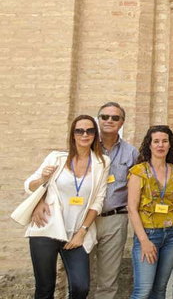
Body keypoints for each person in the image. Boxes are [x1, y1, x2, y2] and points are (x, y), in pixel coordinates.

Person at [24, 115, 111, 299]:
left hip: (76, 233)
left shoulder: (102, 162)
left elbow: (98, 200)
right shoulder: (56, 158)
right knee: (44, 288)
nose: (84, 134)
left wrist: (82, 232)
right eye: (79, 130)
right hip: (46, 227)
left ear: (95, 134)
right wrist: (43, 179)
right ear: (73, 135)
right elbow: (29, 185)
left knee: (81, 287)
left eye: (90, 130)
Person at [127, 125, 173, 299]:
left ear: (170, 145)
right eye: (156, 141)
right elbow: (132, 208)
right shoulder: (138, 172)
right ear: (149, 145)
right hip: (148, 234)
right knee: (143, 290)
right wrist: (144, 240)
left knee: (160, 290)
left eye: (164, 141)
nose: (160, 145)